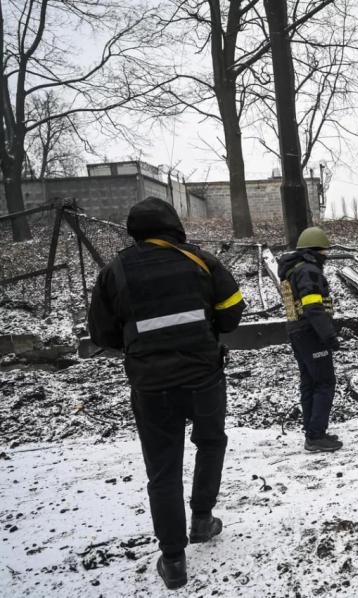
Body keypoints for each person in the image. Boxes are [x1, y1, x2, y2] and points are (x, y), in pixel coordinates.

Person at [87, 197, 245, 590]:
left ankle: (173, 560)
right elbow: (232, 312)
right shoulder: (201, 260)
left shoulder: (115, 271)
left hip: (151, 385)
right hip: (204, 378)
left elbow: (101, 333)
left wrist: (139, 343)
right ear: (174, 225)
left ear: (134, 231)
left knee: (163, 469)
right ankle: (202, 519)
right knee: (211, 442)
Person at [277, 226, 342, 453]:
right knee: (325, 382)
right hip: (311, 332)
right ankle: (316, 436)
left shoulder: (293, 269)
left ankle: (312, 431)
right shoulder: (309, 271)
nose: (326, 254)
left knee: (309, 382)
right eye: (324, 250)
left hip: (297, 331)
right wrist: (329, 336)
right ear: (316, 250)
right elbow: (313, 307)